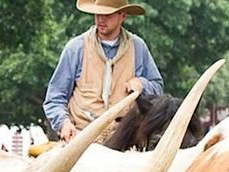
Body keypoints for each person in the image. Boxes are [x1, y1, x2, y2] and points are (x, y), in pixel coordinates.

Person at [43, 0, 164, 142]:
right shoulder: (76, 48)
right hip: (81, 139)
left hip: (125, 140)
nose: (101, 19)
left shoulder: (138, 47)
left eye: (107, 14)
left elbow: (158, 90)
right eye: (98, 14)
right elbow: (55, 98)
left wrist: (142, 84)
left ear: (122, 16)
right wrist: (64, 123)